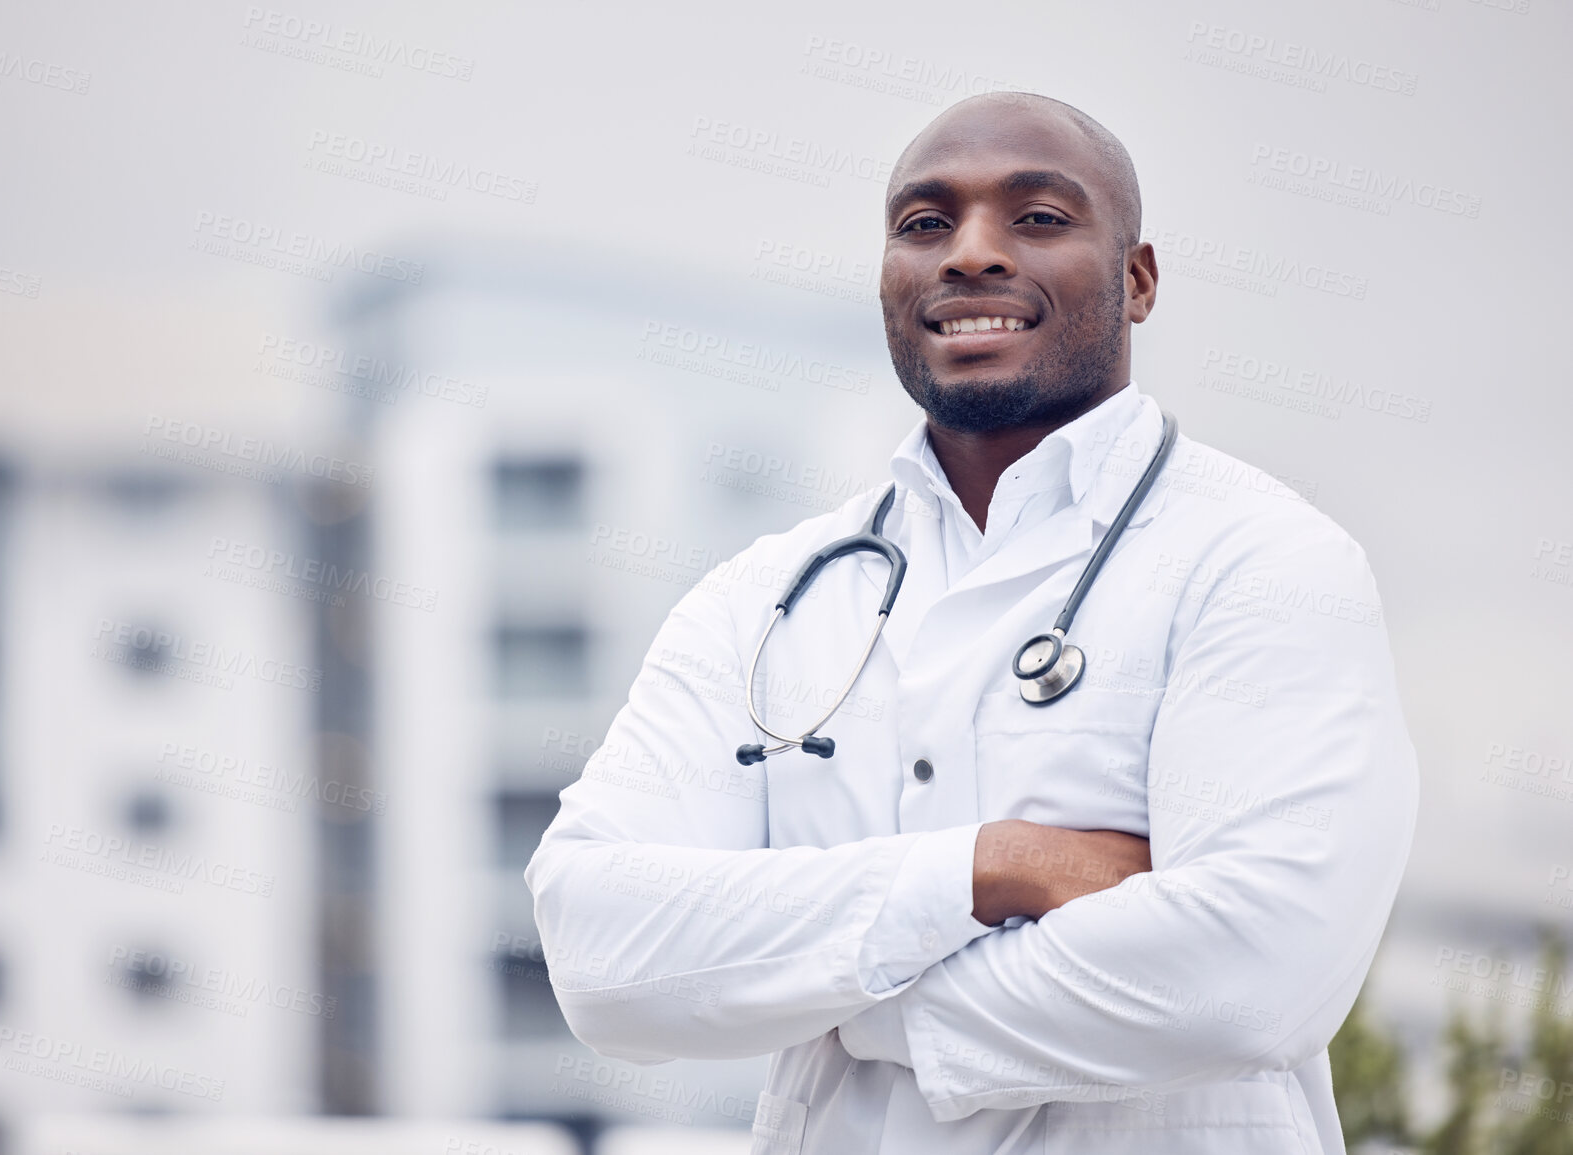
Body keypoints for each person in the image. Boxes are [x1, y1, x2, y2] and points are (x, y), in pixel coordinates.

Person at [526, 92, 1417, 1155]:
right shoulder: (766, 595)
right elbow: (599, 946)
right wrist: (994, 867)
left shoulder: (1264, 562)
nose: (972, 254)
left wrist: (844, 1003)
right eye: (925, 223)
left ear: (1138, 280)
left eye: (1039, 217)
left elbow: (1249, 976)